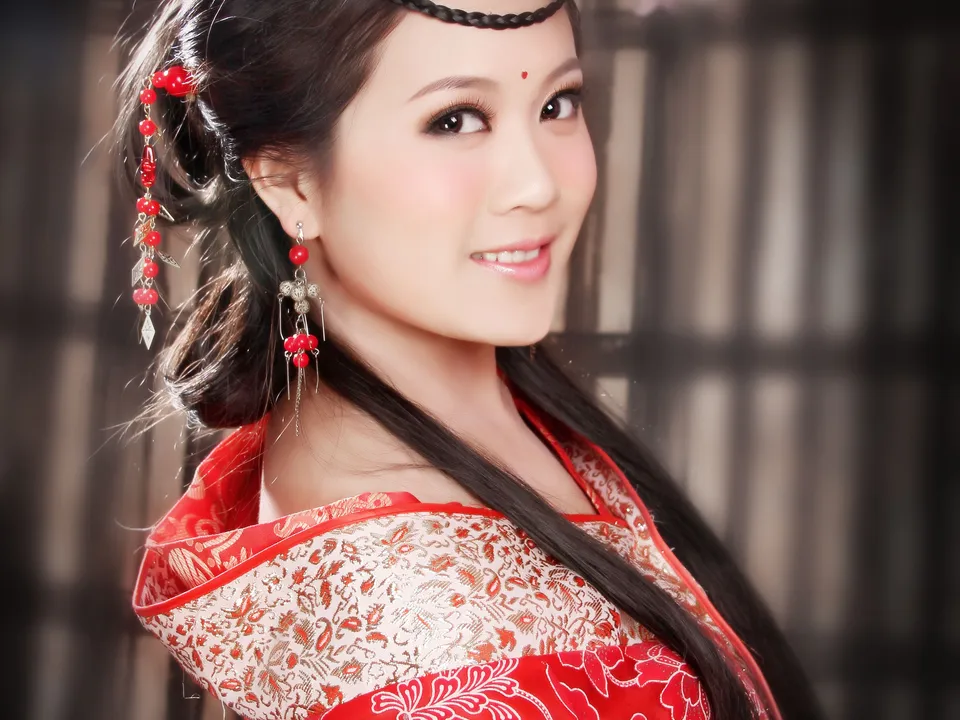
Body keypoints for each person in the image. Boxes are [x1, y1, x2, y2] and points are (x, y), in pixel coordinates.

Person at [117, 1, 821, 718]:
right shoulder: (412, 634)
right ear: (291, 183)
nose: (539, 184)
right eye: (455, 120)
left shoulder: (494, 408)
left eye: (557, 103)